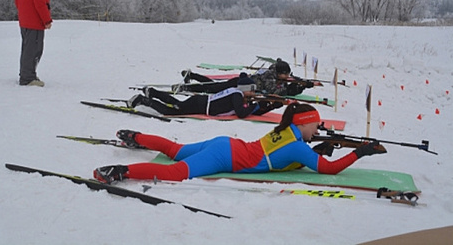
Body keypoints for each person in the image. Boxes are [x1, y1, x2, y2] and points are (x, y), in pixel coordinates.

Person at [93, 103, 386, 184]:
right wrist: (360, 152)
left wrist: (320, 148)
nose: (318, 129)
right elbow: (329, 170)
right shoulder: (297, 144)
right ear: (303, 124)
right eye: (315, 125)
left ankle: (136, 136)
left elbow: (295, 155)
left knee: (174, 149)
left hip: (226, 145)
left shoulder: (288, 134)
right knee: (177, 171)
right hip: (225, 158)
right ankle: (121, 171)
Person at [128, 73, 282, 118]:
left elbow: (251, 110)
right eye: (251, 90)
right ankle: (143, 100)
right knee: (172, 110)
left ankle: (152, 93)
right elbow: (242, 113)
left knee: (176, 104)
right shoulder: (236, 95)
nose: (253, 93)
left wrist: (270, 106)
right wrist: (255, 105)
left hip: (201, 103)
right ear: (244, 89)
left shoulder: (239, 96)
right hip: (200, 104)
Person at [15, 0, 52, 87]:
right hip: (34, 20)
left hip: (25, 19)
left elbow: (17, 0)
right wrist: (46, 19)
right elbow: (40, 0)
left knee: (27, 48)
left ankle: (25, 73)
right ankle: (28, 77)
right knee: (35, 49)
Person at [178, 58, 313, 96]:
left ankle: (192, 75)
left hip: (242, 84)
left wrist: (301, 86)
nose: (287, 76)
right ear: (279, 73)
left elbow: (285, 87)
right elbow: (275, 91)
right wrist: (291, 87)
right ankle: (186, 87)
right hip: (240, 85)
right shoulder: (269, 76)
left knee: (214, 85)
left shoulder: (275, 75)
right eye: (285, 74)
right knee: (214, 88)